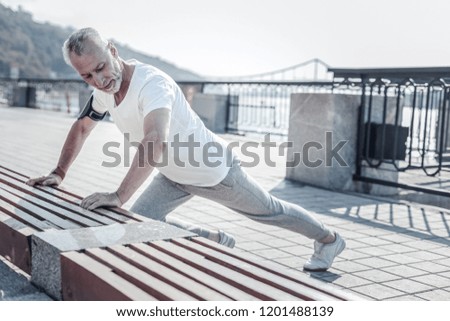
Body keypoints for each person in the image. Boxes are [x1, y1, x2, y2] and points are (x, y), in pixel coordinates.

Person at [26, 27, 345, 272]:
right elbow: (82, 126)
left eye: (101, 67)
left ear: (112, 50)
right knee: (139, 223)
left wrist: (119, 195)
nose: (99, 79)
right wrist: (59, 172)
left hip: (214, 172)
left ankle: (329, 239)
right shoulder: (104, 93)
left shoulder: (152, 84)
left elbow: (155, 139)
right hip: (172, 175)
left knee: (271, 212)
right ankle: (213, 240)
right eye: (87, 76)